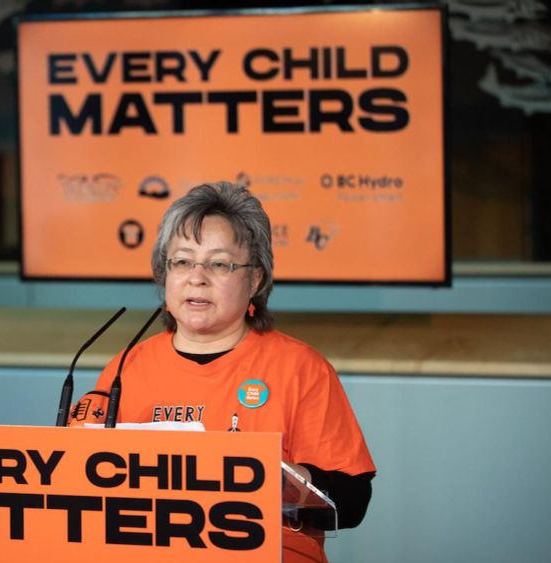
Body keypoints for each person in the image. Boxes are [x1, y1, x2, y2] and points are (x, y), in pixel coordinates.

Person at [68, 181, 375, 563]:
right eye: (181, 261)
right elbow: (78, 485)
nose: (197, 277)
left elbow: (352, 502)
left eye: (219, 264)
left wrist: (266, 478)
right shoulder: (124, 368)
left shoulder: (300, 369)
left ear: (256, 279)